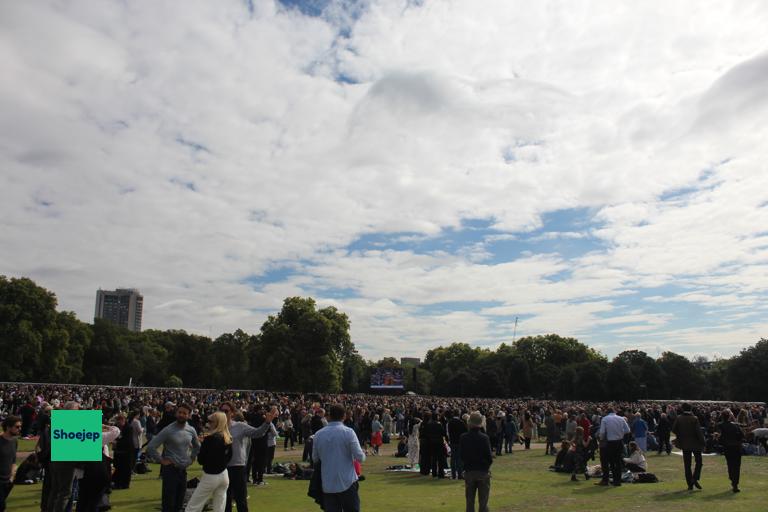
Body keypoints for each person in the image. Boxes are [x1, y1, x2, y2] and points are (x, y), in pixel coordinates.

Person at [219, 402, 277, 512]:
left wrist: (267, 422)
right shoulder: (217, 428)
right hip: (222, 469)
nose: (223, 413)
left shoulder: (240, 426)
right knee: (225, 501)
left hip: (237, 468)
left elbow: (257, 433)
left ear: (232, 413)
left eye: (226, 411)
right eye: (221, 411)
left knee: (241, 500)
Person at [146, 403, 201, 512]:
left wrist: (192, 458)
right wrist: (161, 460)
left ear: (189, 416)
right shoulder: (168, 429)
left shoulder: (191, 430)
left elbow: (197, 446)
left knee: (180, 502)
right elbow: (151, 447)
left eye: (184, 413)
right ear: (176, 413)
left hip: (183, 470)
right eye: (179, 412)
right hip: (170, 470)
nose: (181, 415)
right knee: (168, 503)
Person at [312, 403, 366, 512]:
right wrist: (364, 453)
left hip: (328, 483)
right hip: (348, 482)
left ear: (329, 416)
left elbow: (315, 459)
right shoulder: (349, 432)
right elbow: (360, 457)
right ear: (344, 416)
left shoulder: (318, 434)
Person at [185, 412, 233, 512]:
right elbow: (229, 457)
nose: (208, 424)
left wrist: (202, 446)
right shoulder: (228, 438)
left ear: (217, 423)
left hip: (211, 475)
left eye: (211, 421)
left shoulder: (210, 439)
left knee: (193, 506)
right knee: (219, 507)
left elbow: (201, 460)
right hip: (224, 475)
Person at [460, 412, 492, 512]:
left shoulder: (463, 437)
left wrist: (465, 467)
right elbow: (489, 457)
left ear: (469, 424)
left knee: (469, 502)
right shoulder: (484, 438)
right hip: (482, 471)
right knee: (483, 502)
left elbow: (462, 456)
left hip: (469, 471)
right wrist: (486, 468)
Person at [671, 402, 706, 491]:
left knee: (687, 465)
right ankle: (695, 478)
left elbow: (674, 429)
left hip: (684, 444)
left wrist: (681, 436)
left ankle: (690, 484)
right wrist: (703, 442)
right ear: (691, 409)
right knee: (699, 462)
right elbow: (699, 432)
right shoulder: (694, 418)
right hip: (695, 444)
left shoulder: (679, 418)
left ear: (682, 409)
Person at [597, 408, 630, 487]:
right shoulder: (621, 418)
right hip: (619, 442)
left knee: (610, 462)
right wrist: (620, 433)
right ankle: (617, 481)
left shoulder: (605, 419)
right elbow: (628, 430)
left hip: (610, 442)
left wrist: (601, 440)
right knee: (618, 462)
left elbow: (602, 432)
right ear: (614, 412)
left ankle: (607, 480)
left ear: (607, 412)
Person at [717, 410, 744, 493]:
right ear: (729, 417)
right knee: (737, 466)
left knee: (730, 464)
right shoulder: (735, 425)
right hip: (736, 447)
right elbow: (742, 435)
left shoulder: (720, 425)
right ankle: (735, 483)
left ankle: (732, 478)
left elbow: (719, 437)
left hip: (727, 447)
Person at [0, 416, 20, 512]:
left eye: (20, 426)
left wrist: (12, 476)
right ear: (8, 427)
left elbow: (13, 460)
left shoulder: (15, 441)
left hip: (8, 481)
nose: (19, 429)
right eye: (17, 427)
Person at [111, 414, 135, 489]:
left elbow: (128, 441)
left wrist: (117, 442)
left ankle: (125, 484)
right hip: (118, 452)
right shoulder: (116, 427)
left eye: (120, 421)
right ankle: (117, 483)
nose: (118, 423)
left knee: (126, 469)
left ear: (124, 420)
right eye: (117, 422)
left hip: (127, 452)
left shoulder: (129, 428)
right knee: (117, 468)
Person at [448, 410, 467, 479]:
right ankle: (460, 474)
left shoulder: (450, 422)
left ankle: (453, 474)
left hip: (452, 442)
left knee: (453, 458)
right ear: (459, 414)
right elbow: (465, 432)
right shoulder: (461, 422)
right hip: (459, 442)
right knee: (459, 459)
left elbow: (448, 432)